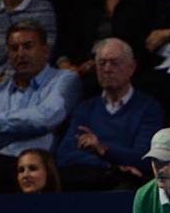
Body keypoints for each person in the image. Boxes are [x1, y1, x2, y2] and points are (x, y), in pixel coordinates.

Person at [0, 20, 81, 193]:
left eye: (28, 46)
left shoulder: (65, 79)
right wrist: (35, 128)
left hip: (44, 165)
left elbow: (47, 118)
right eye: (14, 48)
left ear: (45, 50)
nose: (20, 54)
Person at [56, 38, 163, 190]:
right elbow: (64, 155)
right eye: (101, 63)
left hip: (126, 185)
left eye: (114, 63)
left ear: (131, 67)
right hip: (92, 179)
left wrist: (102, 149)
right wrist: (111, 167)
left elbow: (145, 157)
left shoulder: (148, 108)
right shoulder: (85, 108)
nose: (107, 69)